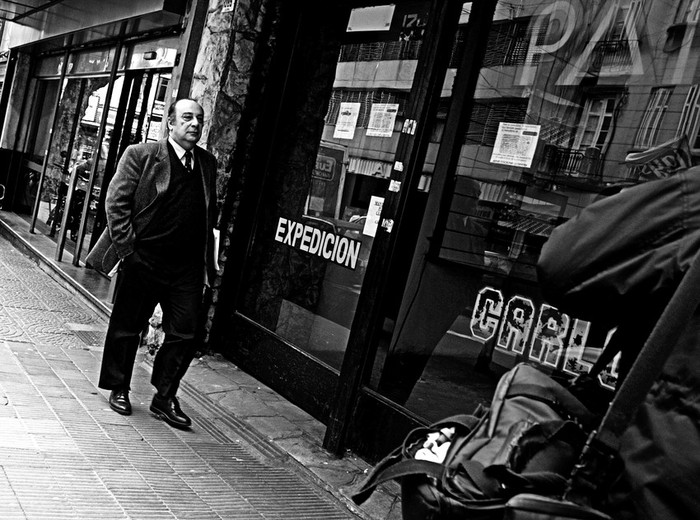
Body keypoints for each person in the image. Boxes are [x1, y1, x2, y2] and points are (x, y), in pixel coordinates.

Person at [87, 98, 218, 429]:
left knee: (186, 332)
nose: (194, 124)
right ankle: (118, 386)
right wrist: (129, 250)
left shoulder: (206, 163)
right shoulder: (142, 155)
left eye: (199, 119)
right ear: (170, 123)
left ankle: (164, 396)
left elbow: (207, 215)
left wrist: (207, 265)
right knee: (128, 327)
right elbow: (116, 203)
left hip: (186, 268)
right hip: (144, 258)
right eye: (186, 117)